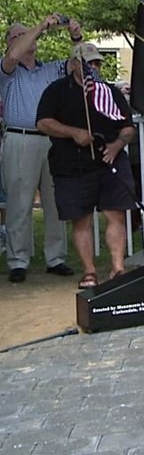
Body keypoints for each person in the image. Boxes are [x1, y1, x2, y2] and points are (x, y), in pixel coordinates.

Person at [35, 43, 135, 289]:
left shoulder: (109, 92)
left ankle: (118, 267)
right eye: (88, 63)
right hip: (71, 164)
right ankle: (89, 271)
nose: (93, 68)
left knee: (116, 213)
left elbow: (128, 126)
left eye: (97, 63)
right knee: (81, 219)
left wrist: (117, 145)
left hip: (109, 160)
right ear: (73, 65)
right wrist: (73, 133)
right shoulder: (56, 90)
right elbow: (43, 123)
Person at [1, 14, 82, 283]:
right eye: (19, 35)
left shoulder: (50, 69)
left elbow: (79, 66)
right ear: (10, 42)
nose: (27, 39)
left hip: (51, 138)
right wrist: (40, 27)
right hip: (20, 138)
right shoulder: (7, 69)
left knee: (55, 200)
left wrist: (76, 37)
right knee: (19, 203)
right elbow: (13, 56)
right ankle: (18, 260)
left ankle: (56, 257)